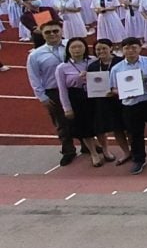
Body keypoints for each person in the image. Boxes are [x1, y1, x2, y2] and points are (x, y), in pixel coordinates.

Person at [110, 37, 147, 174]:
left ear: (140, 48)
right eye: (127, 48)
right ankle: (139, 159)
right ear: (122, 50)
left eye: (134, 47)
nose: (130, 50)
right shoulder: (117, 68)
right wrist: (123, 92)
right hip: (131, 104)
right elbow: (113, 88)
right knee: (135, 133)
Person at [24, 20, 79, 166]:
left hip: (76, 89)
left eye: (55, 31)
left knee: (82, 117)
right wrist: (41, 96)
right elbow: (34, 77)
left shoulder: (73, 45)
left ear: (61, 31)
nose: (52, 34)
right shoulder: (36, 55)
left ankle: (88, 145)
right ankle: (68, 150)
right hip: (53, 91)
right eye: (48, 32)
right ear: (42, 34)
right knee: (61, 122)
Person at [52, 37, 105, 167]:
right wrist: (67, 108)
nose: (77, 50)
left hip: (95, 96)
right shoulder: (62, 67)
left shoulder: (93, 61)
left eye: (80, 46)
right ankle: (93, 153)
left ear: (85, 48)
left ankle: (106, 150)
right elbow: (62, 90)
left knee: (100, 126)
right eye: (73, 47)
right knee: (84, 127)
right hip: (77, 98)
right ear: (68, 50)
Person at [86, 38, 131, 164]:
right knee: (117, 128)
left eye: (104, 48)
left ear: (111, 48)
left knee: (129, 128)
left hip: (122, 100)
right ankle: (126, 152)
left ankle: (136, 151)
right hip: (104, 102)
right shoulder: (93, 66)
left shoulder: (121, 62)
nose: (101, 51)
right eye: (98, 49)